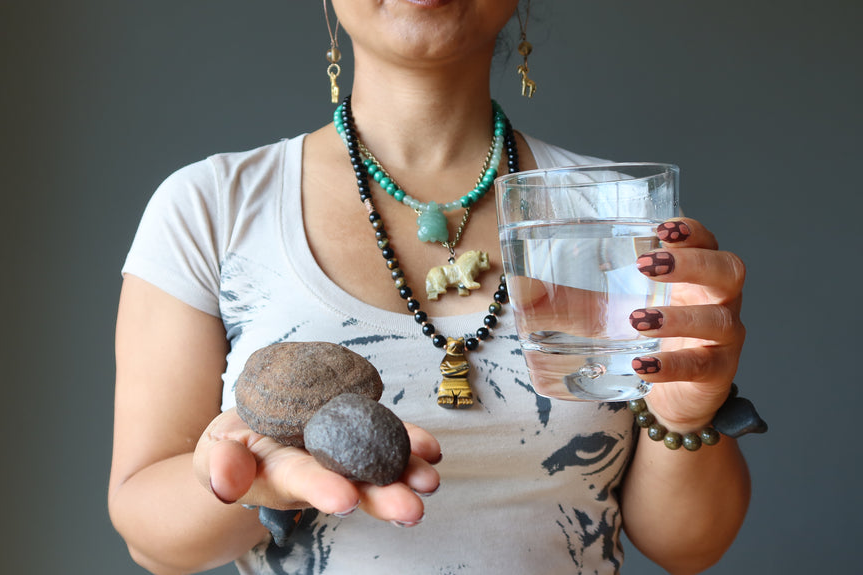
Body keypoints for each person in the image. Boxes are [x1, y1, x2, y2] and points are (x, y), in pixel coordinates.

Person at [108, 1, 753, 573]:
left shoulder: (615, 217)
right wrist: (253, 482)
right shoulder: (210, 209)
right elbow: (152, 538)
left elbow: (688, 547)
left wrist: (684, 416)